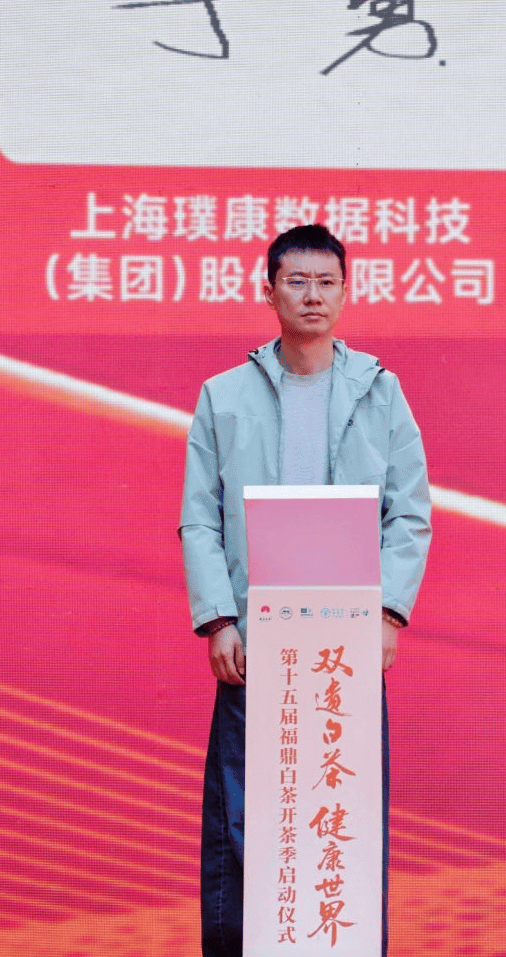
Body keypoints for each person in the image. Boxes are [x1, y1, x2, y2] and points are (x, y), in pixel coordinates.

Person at [180, 224, 432, 957]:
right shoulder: (223, 396)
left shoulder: (380, 393)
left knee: (342, 819)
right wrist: (218, 620)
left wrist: (387, 613)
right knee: (241, 817)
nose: (312, 296)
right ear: (269, 292)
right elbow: (199, 517)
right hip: (256, 644)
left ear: (346, 293)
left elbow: (409, 512)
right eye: (296, 282)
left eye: (326, 283)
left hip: (343, 643)